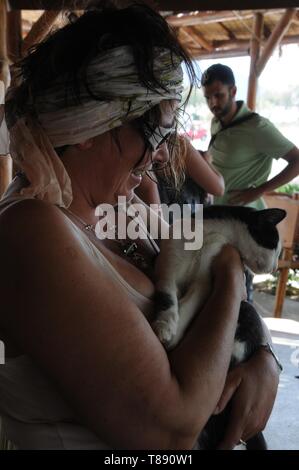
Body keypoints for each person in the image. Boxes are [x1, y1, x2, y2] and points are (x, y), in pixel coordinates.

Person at [0, 5, 280, 450]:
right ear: (92, 124)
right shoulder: (31, 230)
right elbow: (170, 429)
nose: (162, 156)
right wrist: (230, 278)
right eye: (155, 135)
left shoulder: (125, 204)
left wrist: (264, 356)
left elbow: (211, 264)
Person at [201, 63, 299, 302]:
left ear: (233, 92)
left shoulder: (258, 127)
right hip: (219, 221)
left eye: (219, 95)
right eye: (207, 97)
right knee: (211, 291)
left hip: (245, 226)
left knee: (238, 296)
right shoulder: (218, 123)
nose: (213, 103)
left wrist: (258, 191)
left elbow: (297, 160)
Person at [136, 134, 225, 213]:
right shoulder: (179, 146)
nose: (165, 155)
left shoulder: (136, 155)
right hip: (188, 226)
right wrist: (206, 160)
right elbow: (218, 188)